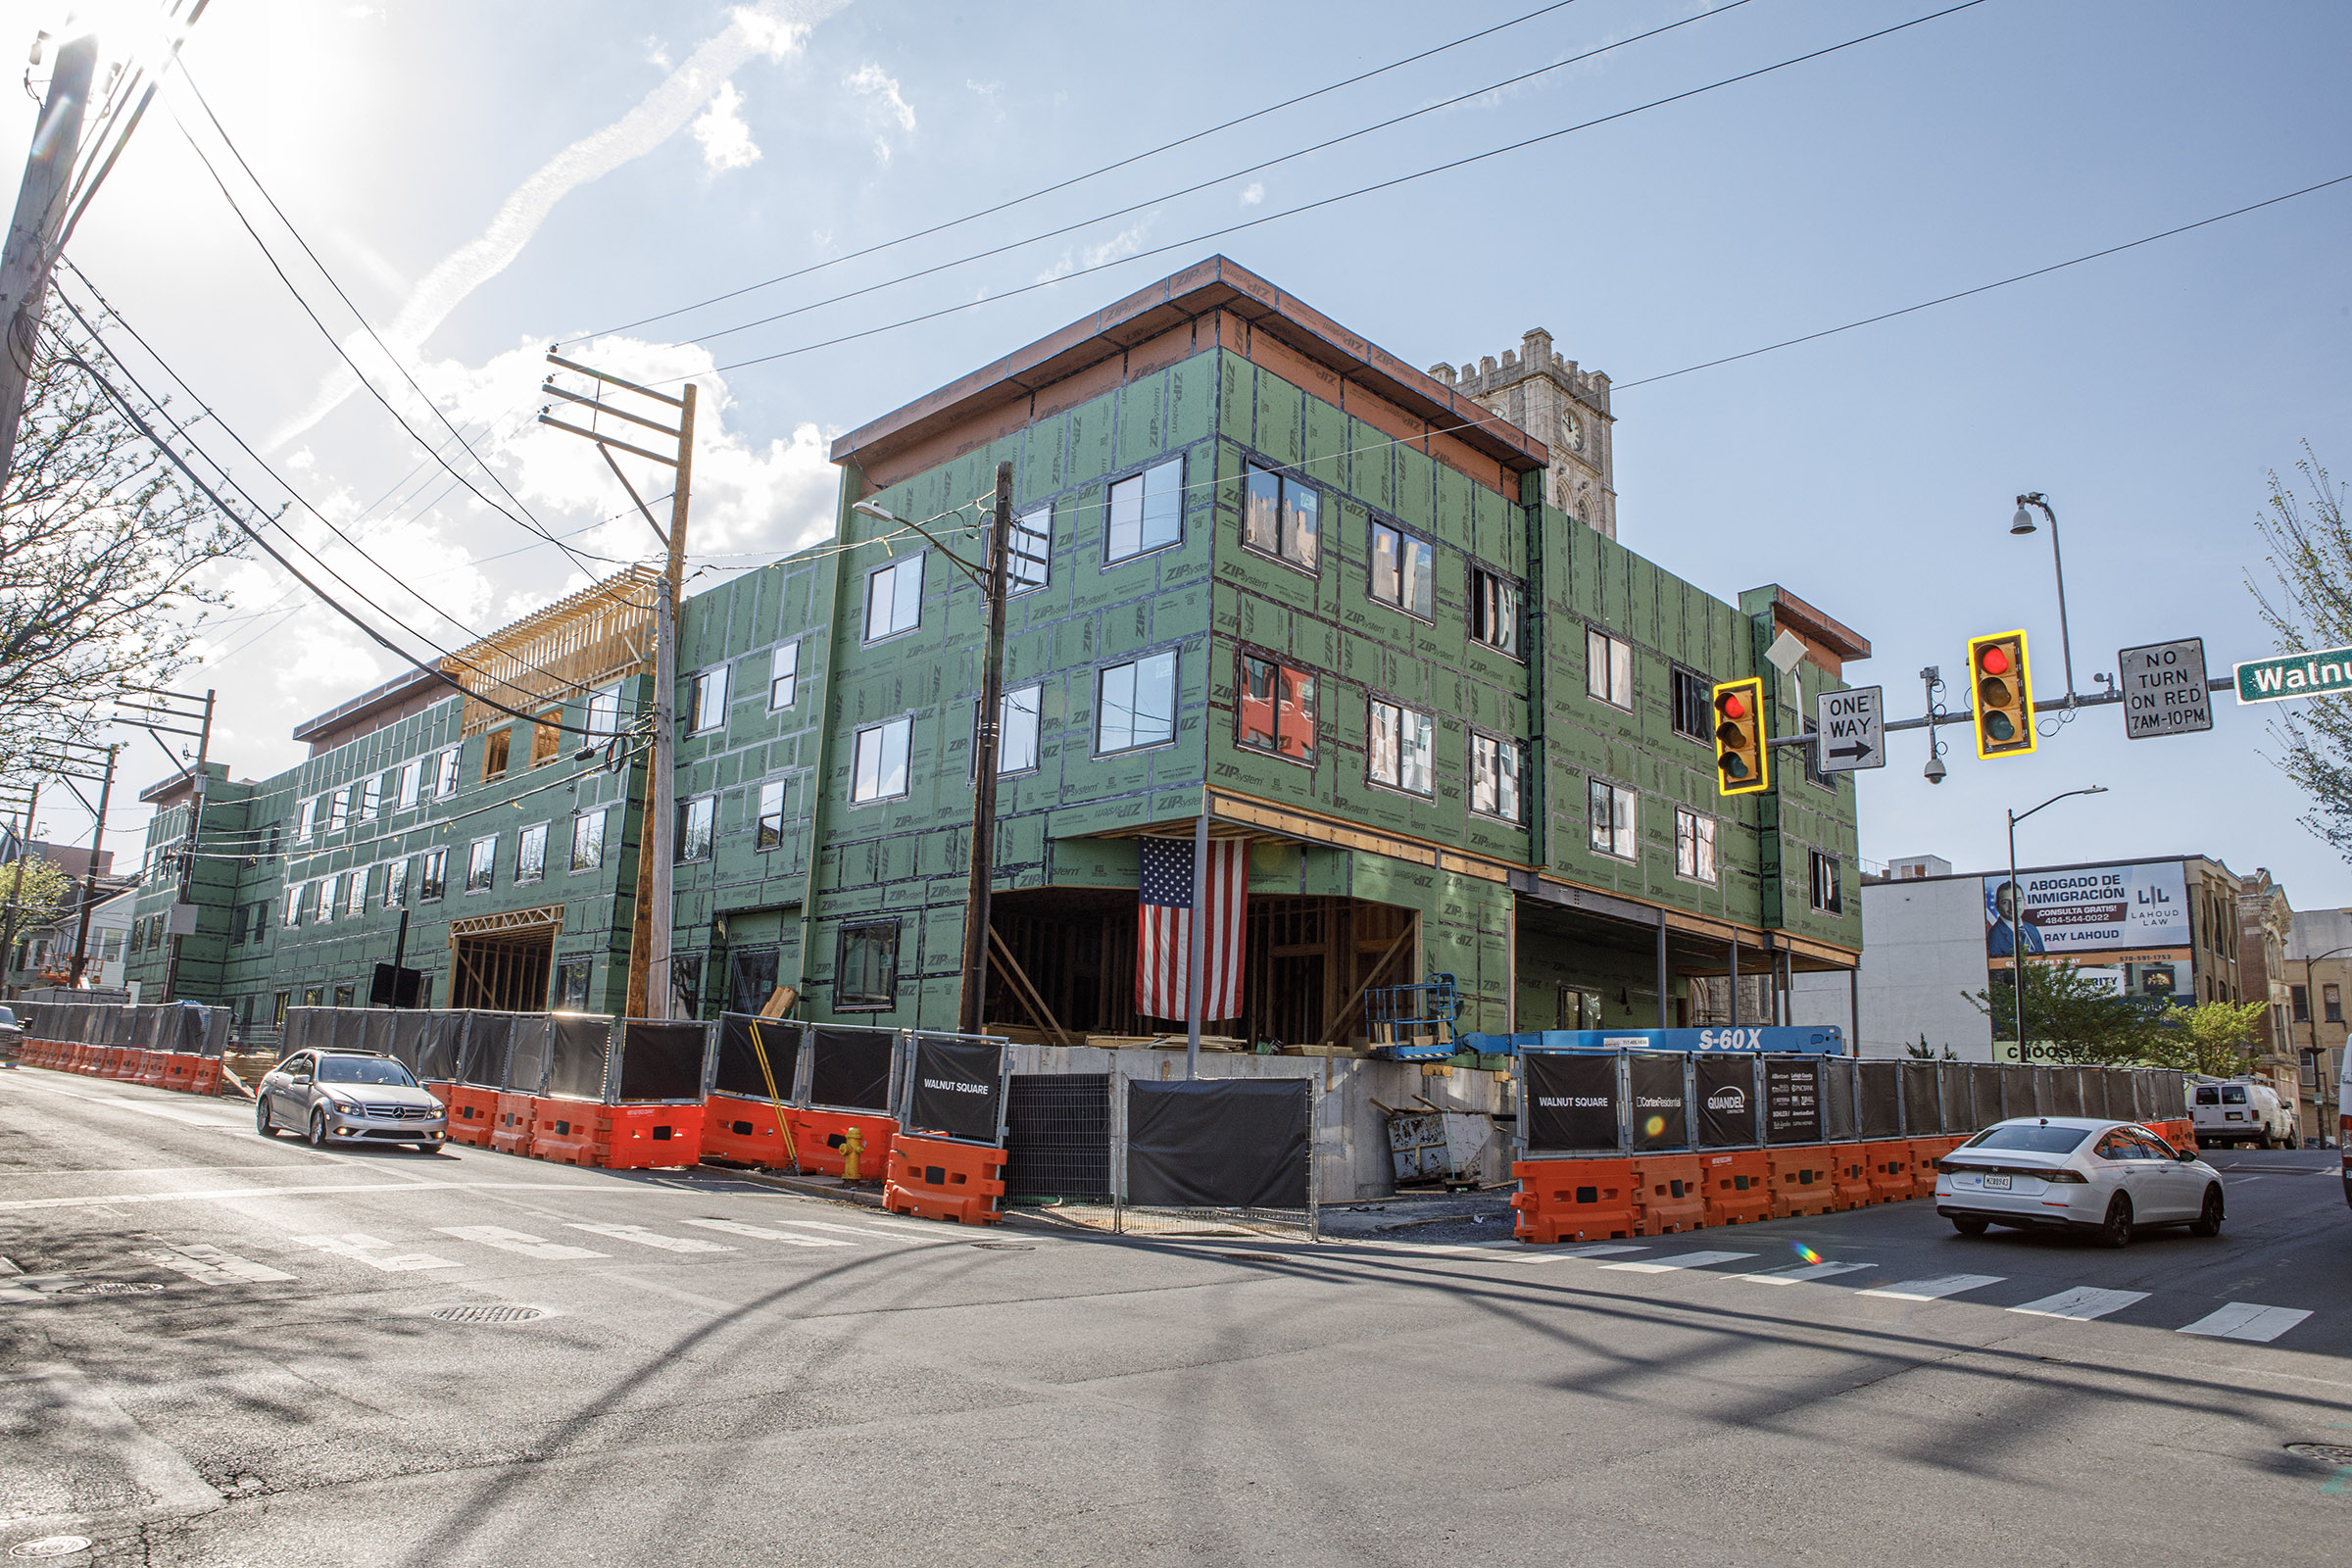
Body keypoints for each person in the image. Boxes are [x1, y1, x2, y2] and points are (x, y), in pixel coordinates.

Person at [1984, 880, 2045, 957]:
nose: (2012, 906)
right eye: (2005, 902)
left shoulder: (2032, 929)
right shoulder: (1994, 937)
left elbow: (2044, 960)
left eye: (2017, 900)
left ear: (2024, 902)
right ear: (1997, 906)